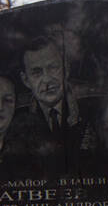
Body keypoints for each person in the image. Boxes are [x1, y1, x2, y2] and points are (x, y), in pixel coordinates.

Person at [14, 35, 100, 172]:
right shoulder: (15, 116)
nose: (47, 79)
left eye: (53, 68)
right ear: (25, 80)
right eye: (37, 73)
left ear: (66, 68)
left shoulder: (94, 104)